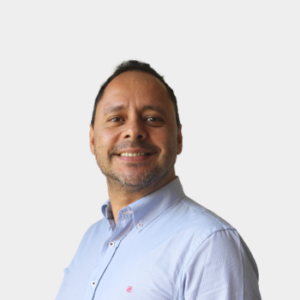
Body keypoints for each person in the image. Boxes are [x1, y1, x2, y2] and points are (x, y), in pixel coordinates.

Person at [55, 60, 261, 300]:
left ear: (179, 138)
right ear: (92, 140)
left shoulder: (210, 246)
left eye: (152, 118)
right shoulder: (91, 239)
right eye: (116, 119)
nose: (133, 130)